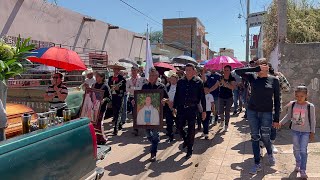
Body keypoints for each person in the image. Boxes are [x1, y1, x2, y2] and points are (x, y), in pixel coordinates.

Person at [235, 58, 281, 175]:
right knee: (255, 136)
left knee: (265, 136)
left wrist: (276, 119)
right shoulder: (253, 77)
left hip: (266, 112)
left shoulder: (274, 80)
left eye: (263, 65)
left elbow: (277, 100)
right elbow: (238, 71)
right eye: (258, 65)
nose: (260, 67)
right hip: (252, 111)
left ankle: (269, 153)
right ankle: (257, 163)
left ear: (268, 67)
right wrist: (255, 69)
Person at [279, 85, 316, 179]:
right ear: (295, 95)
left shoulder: (310, 106)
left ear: (306, 95)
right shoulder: (293, 104)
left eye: (302, 96)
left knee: (303, 151)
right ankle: (298, 162)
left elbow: (313, 120)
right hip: (295, 131)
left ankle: (303, 170)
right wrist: (281, 123)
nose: (299, 98)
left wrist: (312, 132)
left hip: (305, 132)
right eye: (297, 96)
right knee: (296, 149)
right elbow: (288, 116)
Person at [134, 67, 168, 162]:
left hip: (157, 115)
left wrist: (165, 101)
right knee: (148, 134)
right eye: (150, 75)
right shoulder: (145, 86)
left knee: (155, 134)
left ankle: (153, 153)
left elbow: (167, 99)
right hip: (146, 114)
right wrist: (135, 102)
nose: (152, 77)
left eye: (154, 75)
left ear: (157, 76)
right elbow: (141, 98)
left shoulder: (161, 87)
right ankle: (155, 141)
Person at [174, 63, 206, 159]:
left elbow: (202, 97)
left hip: (192, 109)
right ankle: (186, 140)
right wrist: (174, 107)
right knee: (179, 127)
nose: (187, 72)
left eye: (189, 70)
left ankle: (190, 149)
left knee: (191, 130)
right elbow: (177, 95)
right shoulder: (180, 82)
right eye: (186, 70)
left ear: (194, 71)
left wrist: (204, 110)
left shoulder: (198, 82)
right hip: (181, 108)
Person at [209, 65, 236, 132]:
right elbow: (216, 86)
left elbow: (232, 87)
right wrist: (209, 91)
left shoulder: (232, 78)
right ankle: (222, 120)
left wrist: (225, 83)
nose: (226, 71)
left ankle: (226, 125)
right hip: (221, 96)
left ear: (230, 71)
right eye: (225, 70)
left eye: (227, 70)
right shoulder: (220, 78)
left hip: (229, 97)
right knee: (220, 111)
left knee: (227, 111)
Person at [92, 72, 112, 144]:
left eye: (97, 76)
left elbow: (109, 98)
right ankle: (96, 138)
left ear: (102, 77)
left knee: (99, 123)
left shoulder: (105, 86)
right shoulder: (93, 85)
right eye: (96, 76)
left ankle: (102, 139)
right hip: (93, 108)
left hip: (101, 108)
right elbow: (91, 95)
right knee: (94, 123)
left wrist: (104, 100)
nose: (96, 78)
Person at [107, 63, 126, 135]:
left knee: (118, 112)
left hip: (119, 97)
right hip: (112, 97)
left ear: (119, 70)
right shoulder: (110, 78)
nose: (116, 70)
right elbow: (108, 87)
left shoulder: (122, 79)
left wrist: (119, 89)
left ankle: (116, 128)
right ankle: (120, 123)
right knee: (115, 112)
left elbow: (124, 89)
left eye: (117, 69)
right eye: (115, 69)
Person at [126, 66, 145, 136]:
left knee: (140, 112)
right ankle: (135, 128)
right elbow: (127, 89)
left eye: (134, 71)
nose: (133, 72)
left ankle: (141, 125)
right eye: (132, 70)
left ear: (137, 71)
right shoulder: (128, 80)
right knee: (134, 113)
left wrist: (132, 88)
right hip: (132, 97)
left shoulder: (141, 79)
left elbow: (140, 88)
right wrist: (134, 89)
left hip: (139, 97)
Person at [164, 70, 179, 142]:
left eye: (174, 79)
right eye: (171, 79)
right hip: (168, 106)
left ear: (177, 79)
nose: (172, 80)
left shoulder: (179, 87)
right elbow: (164, 96)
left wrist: (175, 104)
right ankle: (170, 135)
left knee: (178, 121)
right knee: (169, 122)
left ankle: (179, 130)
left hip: (176, 107)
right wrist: (167, 102)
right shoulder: (167, 86)